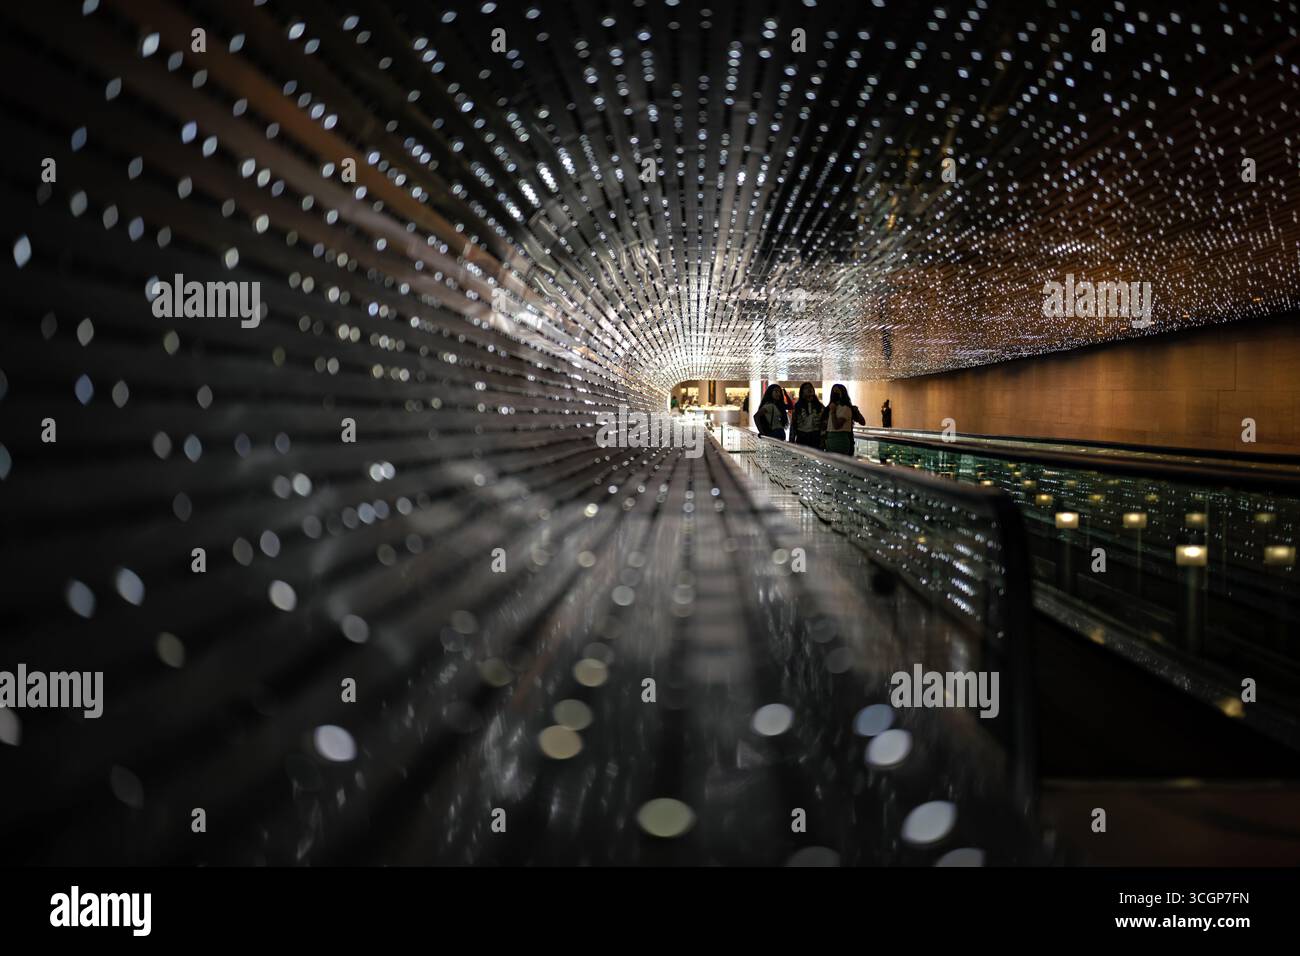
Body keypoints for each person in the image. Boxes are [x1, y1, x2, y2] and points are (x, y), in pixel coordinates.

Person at [823, 383, 864, 455]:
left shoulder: (846, 408)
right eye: (834, 391)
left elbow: (862, 422)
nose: (835, 394)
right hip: (830, 440)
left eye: (837, 391)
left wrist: (856, 412)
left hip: (841, 439)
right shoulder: (828, 408)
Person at [792, 382, 826, 449]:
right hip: (802, 435)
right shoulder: (798, 406)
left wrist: (823, 440)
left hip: (816, 436)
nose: (809, 389)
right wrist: (792, 440)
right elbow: (793, 424)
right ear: (802, 392)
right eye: (806, 388)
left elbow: (824, 423)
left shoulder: (820, 406)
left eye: (810, 387)